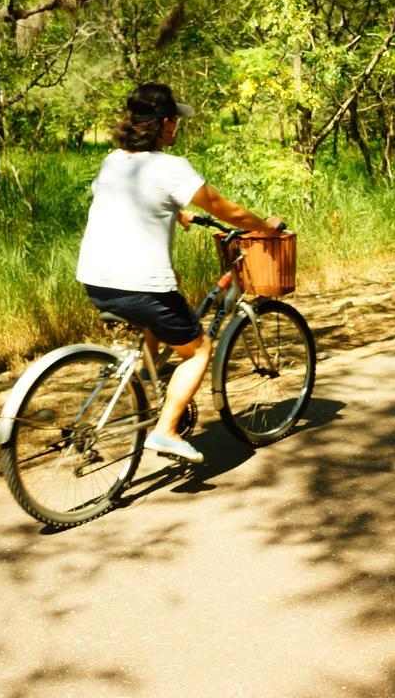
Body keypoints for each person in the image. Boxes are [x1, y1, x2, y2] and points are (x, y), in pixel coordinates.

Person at [76, 83, 283, 465]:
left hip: (95, 280)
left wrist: (177, 210)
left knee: (159, 321)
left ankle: (145, 389)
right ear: (166, 123)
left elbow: (123, 201)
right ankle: (166, 431)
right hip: (140, 285)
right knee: (199, 349)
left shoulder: (113, 160)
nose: (177, 128)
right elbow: (227, 210)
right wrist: (264, 228)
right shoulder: (171, 167)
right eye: (175, 121)